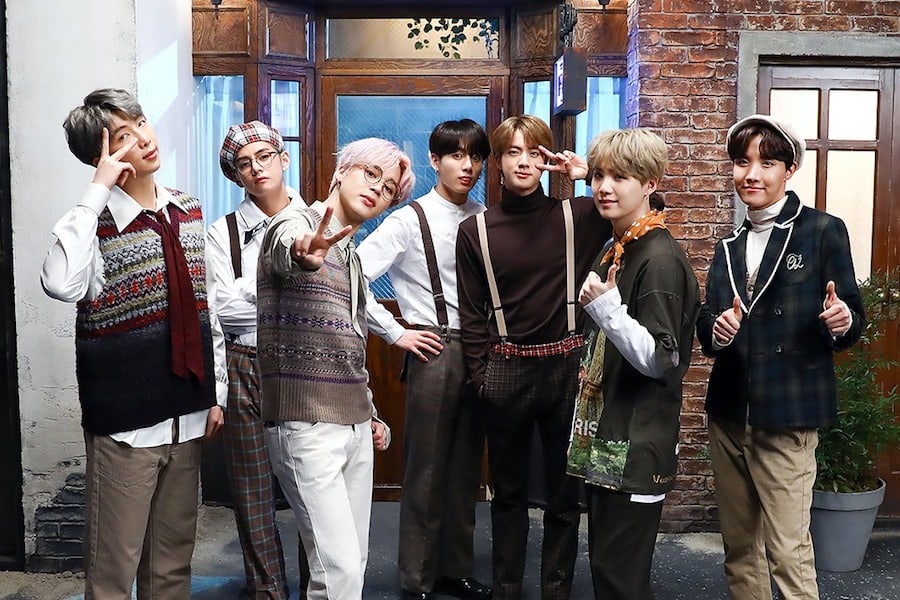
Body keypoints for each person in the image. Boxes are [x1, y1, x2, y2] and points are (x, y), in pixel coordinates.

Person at [40, 88, 227, 599]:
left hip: (187, 415)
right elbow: (60, 283)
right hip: (127, 427)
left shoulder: (187, 209)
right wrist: (96, 191)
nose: (143, 138)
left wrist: (217, 393)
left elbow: (206, 307)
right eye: (123, 136)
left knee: (172, 566)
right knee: (112, 573)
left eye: (140, 123)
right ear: (100, 156)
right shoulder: (92, 225)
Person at [696, 114, 864, 600]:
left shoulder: (821, 231)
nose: (752, 174)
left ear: (789, 169)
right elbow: (707, 323)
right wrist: (717, 331)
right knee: (739, 550)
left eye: (767, 163)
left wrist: (841, 320)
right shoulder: (728, 246)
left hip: (787, 414)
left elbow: (852, 315)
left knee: (788, 553)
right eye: (742, 162)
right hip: (729, 412)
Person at [456, 114, 612, 600]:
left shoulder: (579, 215)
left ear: (547, 161)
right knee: (508, 494)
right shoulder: (476, 231)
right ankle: (507, 589)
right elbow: (471, 313)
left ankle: (555, 591)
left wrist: (587, 174)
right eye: (513, 152)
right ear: (498, 162)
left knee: (565, 496)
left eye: (534, 152)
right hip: (506, 370)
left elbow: (651, 206)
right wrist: (481, 377)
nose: (524, 162)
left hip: (567, 368)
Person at [258, 137, 412, 600]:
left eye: (388, 188)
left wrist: (371, 412)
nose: (377, 189)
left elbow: (349, 345)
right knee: (338, 570)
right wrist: (303, 251)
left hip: (355, 425)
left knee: (350, 567)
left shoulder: (352, 258)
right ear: (341, 171)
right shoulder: (295, 222)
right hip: (306, 423)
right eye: (371, 174)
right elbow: (289, 247)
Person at [356, 119, 492, 600]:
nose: (467, 165)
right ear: (435, 161)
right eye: (455, 155)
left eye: (475, 156)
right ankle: (416, 579)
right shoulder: (408, 220)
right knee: (427, 469)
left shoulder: (483, 215)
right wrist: (397, 332)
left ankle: (455, 568)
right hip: (434, 348)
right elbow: (352, 277)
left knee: (466, 469)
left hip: (479, 350)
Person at [565, 129, 699, 599]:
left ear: (649, 184)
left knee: (621, 579)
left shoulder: (659, 257)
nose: (604, 187)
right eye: (598, 175)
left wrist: (606, 309)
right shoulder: (619, 244)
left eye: (620, 177)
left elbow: (662, 361)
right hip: (608, 438)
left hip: (636, 443)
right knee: (609, 571)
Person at [207, 120, 310, 599]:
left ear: (283, 159)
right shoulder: (222, 232)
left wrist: (249, 291)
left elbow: (328, 301)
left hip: (305, 363)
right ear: (237, 175)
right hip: (244, 361)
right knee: (251, 488)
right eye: (244, 163)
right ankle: (268, 590)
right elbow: (221, 310)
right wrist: (282, 292)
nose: (256, 168)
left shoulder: (316, 221)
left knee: (312, 483)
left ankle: (320, 587)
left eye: (264, 157)